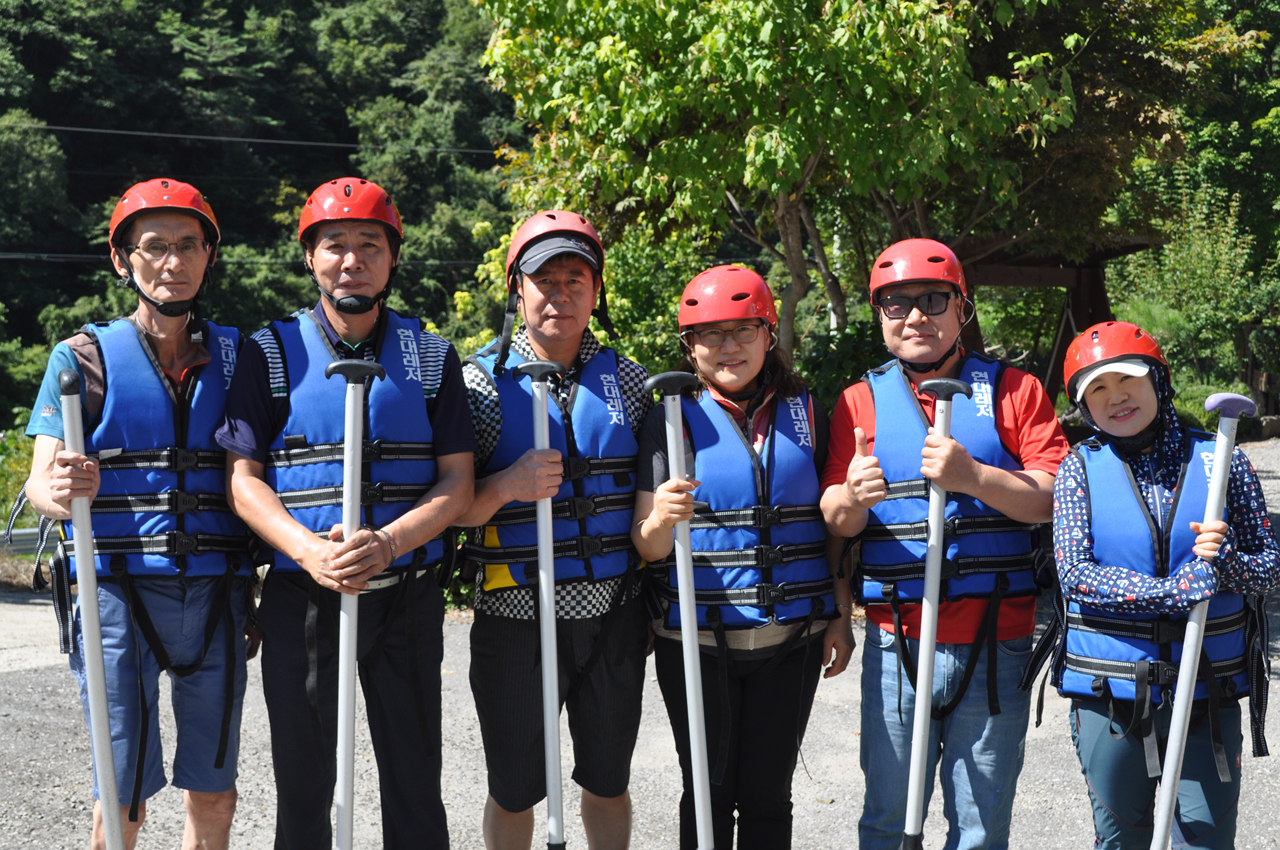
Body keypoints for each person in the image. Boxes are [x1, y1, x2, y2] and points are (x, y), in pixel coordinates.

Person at [217, 177, 475, 849]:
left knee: (415, 784)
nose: (352, 260)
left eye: (370, 245)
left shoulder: (430, 356)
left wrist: (388, 543)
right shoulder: (269, 352)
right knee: (304, 789)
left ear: (393, 258)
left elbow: (457, 484)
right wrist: (310, 551)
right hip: (304, 594)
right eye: (335, 245)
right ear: (310, 257)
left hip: (407, 592)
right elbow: (243, 482)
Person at [18, 178, 254, 850]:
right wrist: (62, 490)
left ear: (209, 256)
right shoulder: (82, 359)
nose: (172, 261)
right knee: (121, 799)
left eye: (188, 245)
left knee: (215, 793)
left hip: (217, 589)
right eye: (154, 246)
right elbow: (40, 482)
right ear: (123, 259)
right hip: (115, 589)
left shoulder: (241, 356)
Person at [819, 238, 1068, 849]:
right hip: (897, 638)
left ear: (962, 308)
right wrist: (851, 496)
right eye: (896, 303)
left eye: (933, 300)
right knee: (886, 818)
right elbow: (835, 521)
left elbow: (1052, 498)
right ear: (879, 316)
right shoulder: (857, 401)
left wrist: (974, 477)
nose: (915, 316)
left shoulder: (1015, 390)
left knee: (980, 828)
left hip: (996, 638)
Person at [630, 265, 854, 849]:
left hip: (793, 639)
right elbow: (648, 544)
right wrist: (661, 518)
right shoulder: (669, 417)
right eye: (711, 333)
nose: (728, 346)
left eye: (743, 331)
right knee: (706, 793)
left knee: (767, 797)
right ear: (690, 346)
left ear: (768, 334)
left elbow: (830, 528)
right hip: (697, 642)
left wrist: (839, 613)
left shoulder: (807, 410)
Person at [1037, 321, 1279, 848]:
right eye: (1098, 388)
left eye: (1127, 379)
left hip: (1206, 693)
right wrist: (1174, 591)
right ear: (1083, 406)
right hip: (1111, 694)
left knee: (1206, 840)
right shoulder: (1078, 469)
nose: (1116, 396)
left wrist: (1227, 561)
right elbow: (1075, 575)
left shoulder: (1226, 460)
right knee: (1120, 839)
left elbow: (1269, 566)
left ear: (1158, 380)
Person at [454, 210, 650, 850]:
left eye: (575, 280)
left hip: (613, 614)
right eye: (544, 280)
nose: (559, 294)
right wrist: (506, 486)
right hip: (515, 615)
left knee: (609, 781)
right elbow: (450, 509)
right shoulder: (477, 384)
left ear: (596, 291)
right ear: (518, 288)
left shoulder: (629, 381)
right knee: (514, 789)